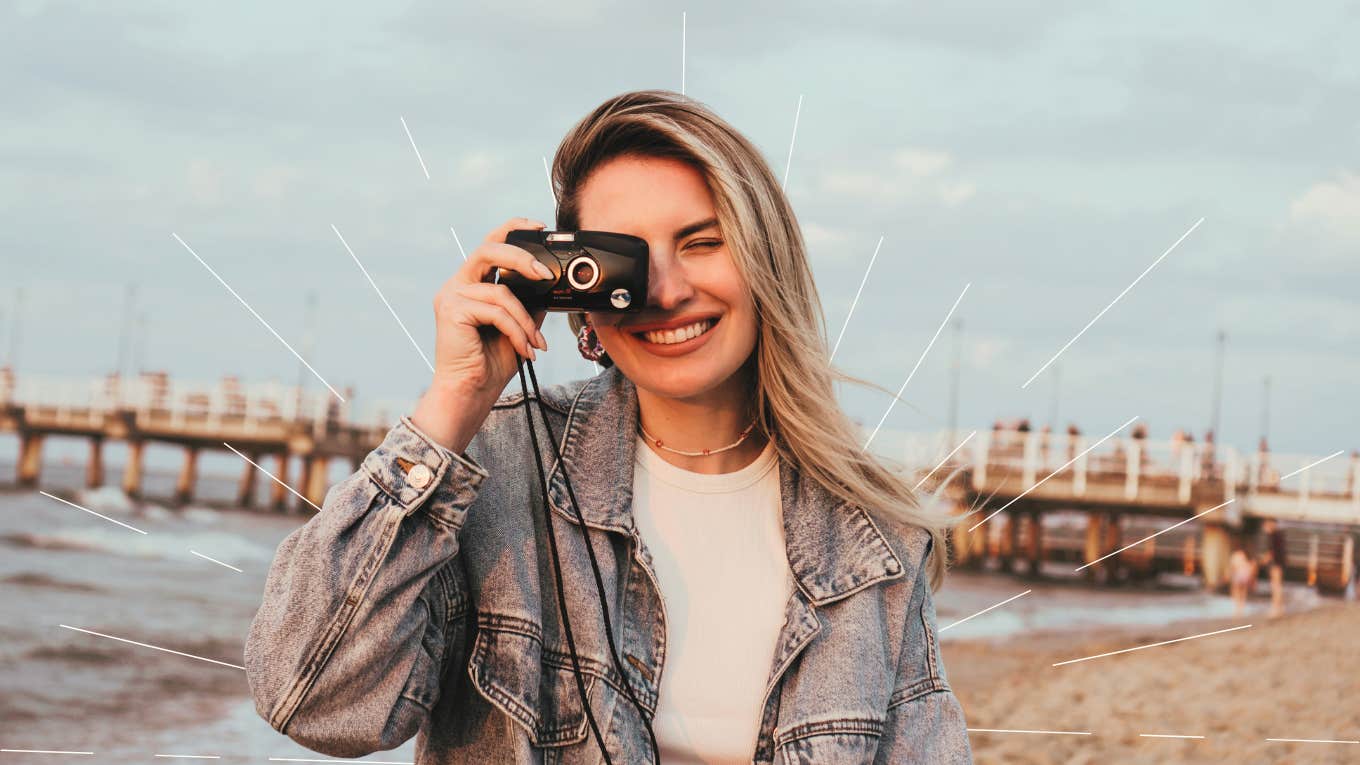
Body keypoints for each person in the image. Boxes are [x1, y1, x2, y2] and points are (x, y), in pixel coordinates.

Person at [243, 90, 972, 764]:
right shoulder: (499, 467)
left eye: (702, 242)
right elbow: (312, 700)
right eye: (622, 258)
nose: (665, 290)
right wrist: (453, 403)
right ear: (573, 291)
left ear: (764, 261)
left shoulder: (873, 536)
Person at [1260, 518, 1286, 618]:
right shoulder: (1279, 534)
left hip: (1276, 563)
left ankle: (1276, 608)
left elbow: (1272, 552)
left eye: (1266, 526)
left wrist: (1263, 561)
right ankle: (1280, 608)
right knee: (1277, 585)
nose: (1265, 528)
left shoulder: (1273, 535)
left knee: (1276, 586)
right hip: (1280, 563)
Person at [1227, 547, 1256, 617]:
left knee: (1236, 590)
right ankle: (1242, 607)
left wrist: (1228, 575)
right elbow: (1252, 565)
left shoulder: (1236, 555)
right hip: (1246, 574)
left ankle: (1237, 608)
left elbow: (1233, 566)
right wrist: (1252, 577)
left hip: (1238, 574)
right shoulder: (1245, 555)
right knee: (1243, 591)